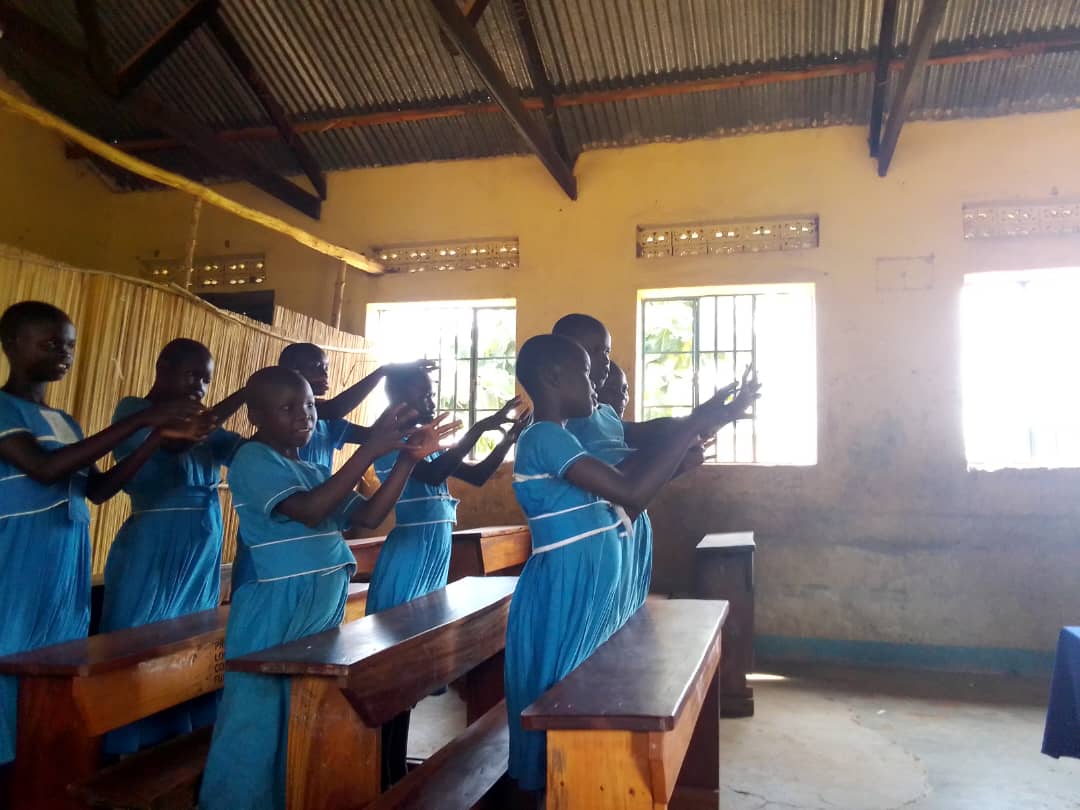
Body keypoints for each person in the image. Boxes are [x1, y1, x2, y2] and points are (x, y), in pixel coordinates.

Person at [198, 366, 456, 810]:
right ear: (256, 414)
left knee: (303, 714)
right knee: (258, 719)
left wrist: (410, 460)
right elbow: (313, 512)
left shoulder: (313, 467)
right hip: (278, 608)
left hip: (319, 607)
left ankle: (294, 796)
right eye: (288, 408)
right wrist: (368, 450)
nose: (304, 416)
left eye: (310, 406)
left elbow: (370, 516)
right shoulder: (253, 459)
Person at [506, 333, 750, 796]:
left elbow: (631, 488)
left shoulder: (556, 438)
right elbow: (630, 491)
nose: (595, 381)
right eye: (584, 371)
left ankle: (577, 785)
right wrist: (689, 425)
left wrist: (693, 431)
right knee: (560, 692)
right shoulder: (543, 437)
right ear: (553, 377)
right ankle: (557, 790)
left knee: (579, 690)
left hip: (585, 589)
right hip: (564, 589)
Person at [0, 301, 208, 765]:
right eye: (50, 342)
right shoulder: (2, 409)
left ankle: (43, 778)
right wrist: (139, 421)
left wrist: (157, 438)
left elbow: (97, 489)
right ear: (12, 344)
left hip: (63, 567)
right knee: (9, 665)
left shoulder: (65, 422)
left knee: (54, 675)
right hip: (17, 563)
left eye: (69, 345)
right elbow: (45, 468)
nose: (63, 352)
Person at [367, 364, 530, 787]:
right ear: (397, 398)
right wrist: (476, 428)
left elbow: (473, 475)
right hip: (408, 559)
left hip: (432, 557)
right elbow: (432, 474)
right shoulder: (391, 440)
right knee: (394, 675)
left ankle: (394, 768)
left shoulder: (428, 442)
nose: (430, 400)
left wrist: (507, 436)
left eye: (431, 391)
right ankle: (382, 771)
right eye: (421, 394)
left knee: (411, 678)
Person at [553, 314, 758, 627]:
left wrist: (713, 417)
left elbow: (653, 435)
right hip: (594, 538)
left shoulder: (604, 414)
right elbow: (621, 481)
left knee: (622, 626)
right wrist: (693, 424)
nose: (605, 360)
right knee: (595, 634)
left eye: (606, 351)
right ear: (564, 354)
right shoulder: (565, 421)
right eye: (594, 350)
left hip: (628, 531)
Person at [99, 338, 248, 755]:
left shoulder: (204, 425)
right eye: (192, 374)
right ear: (163, 367)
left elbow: (239, 450)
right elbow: (177, 441)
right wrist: (247, 393)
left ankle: (178, 743)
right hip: (153, 545)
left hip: (201, 547)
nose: (200, 386)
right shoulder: (134, 411)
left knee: (190, 643)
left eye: (207, 378)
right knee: (137, 642)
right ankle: (124, 749)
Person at [278, 342, 434, 471]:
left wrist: (398, 403)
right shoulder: (288, 410)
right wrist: (383, 371)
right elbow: (335, 410)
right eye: (316, 367)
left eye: (326, 368)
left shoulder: (328, 423)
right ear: (293, 372)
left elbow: (370, 436)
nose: (324, 374)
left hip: (318, 499)